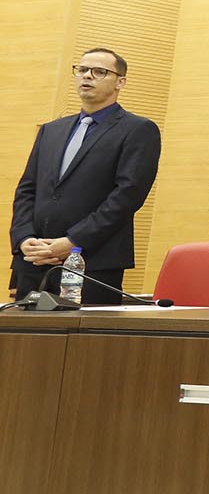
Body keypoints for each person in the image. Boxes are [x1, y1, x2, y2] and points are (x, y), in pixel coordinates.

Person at [9, 48, 161, 305]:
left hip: (93, 263)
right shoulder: (51, 130)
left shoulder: (138, 130)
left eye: (99, 71)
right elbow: (27, 189)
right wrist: (24, 239)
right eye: (81, 70)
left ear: (120, 82)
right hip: (36, 262)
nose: (86, 76)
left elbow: (126, 197)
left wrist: (73, 241)